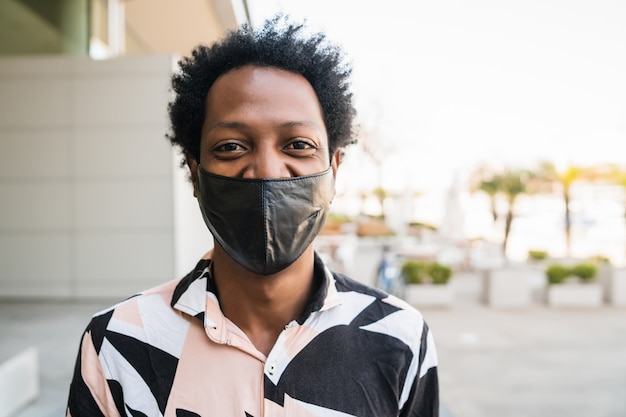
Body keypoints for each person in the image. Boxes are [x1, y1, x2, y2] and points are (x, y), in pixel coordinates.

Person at [66, 15, 439, 417]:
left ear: (334, 170)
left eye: (297, 144)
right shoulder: (118, 342)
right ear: (194, 172)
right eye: (230, 146)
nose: (266, 169)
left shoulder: (398, 337)